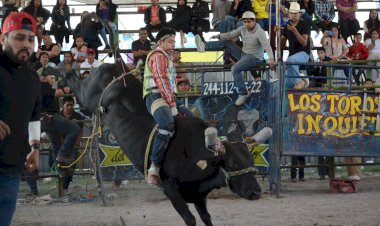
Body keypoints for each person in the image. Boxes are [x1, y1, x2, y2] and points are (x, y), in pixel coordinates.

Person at [0, 12, 40, 226]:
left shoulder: (32, 77)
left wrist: (34, 147)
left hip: (11, 170)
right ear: (2, 39)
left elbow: (34, 114)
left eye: (30, 39)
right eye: (19, 38)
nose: (26, 44)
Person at [195, 11, 275, 105]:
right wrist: (219, 36)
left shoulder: (260, 32)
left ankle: (243, 93)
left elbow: (266, 45)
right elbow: (230, 34)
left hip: (254, 57)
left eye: (249, 22)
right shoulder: (242, 29)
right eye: (245, 22)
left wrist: (271, 58)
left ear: (254, 21)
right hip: (243, 54)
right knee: (227, 42)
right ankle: (204, 45)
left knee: (235, 69)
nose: (247, 24)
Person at [143, 27, 190, 186]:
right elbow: (161, 81)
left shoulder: (166, 58)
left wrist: (177, 84)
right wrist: (172, 104)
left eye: (174, 42)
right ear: (160, 42)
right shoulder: (158, 56)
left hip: (166, 97)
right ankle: (154, 167)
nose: (173, 45)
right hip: (155, 96)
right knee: (167, 124)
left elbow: (167, 81)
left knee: (191, 119)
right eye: (170, 41)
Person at [279, 2, 310, 89]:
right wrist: (280, 33)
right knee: (286, 83)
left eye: (295, 13)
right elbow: (282, 44)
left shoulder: (305, 25)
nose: (293, 15)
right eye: (291, 13)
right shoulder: (287, 26)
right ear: (288, 14)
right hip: (292, 54)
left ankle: (299, 82)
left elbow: (304, 43)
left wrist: (295, 31)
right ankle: (302, 81)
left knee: (291, 60)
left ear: (299, 14)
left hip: (304, 53)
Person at [59, 96, 85, 192]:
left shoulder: (78, 116)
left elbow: (81, 131)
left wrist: (77, 143)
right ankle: (61, 184)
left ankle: (65, 187)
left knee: (72, 165)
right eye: (67, 105)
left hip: (72, 145)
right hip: (60, 145)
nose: (69, 107)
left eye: (71, 105)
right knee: (54, 163)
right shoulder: (58, 116)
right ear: (63, 105)